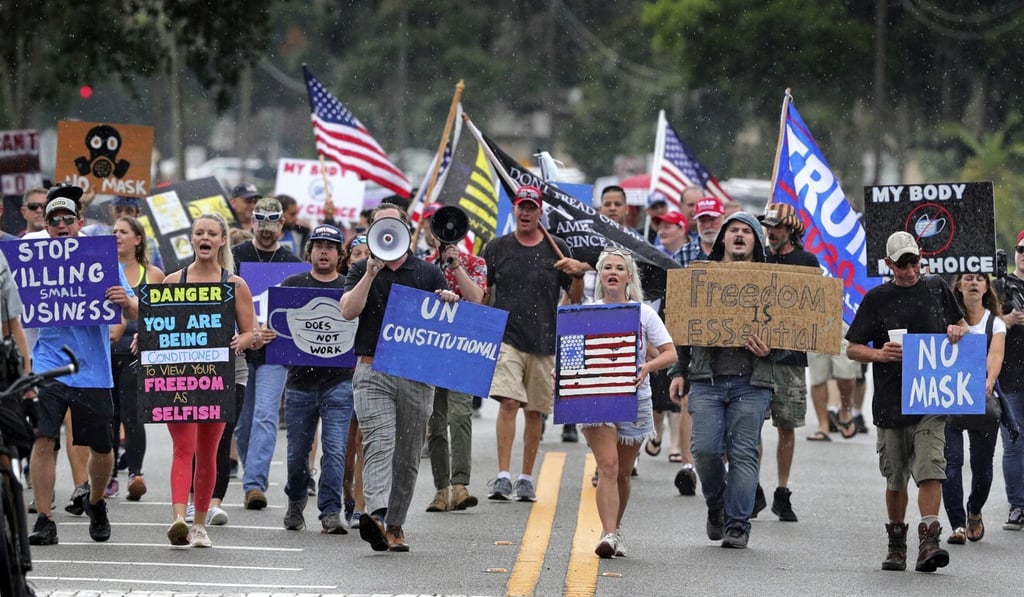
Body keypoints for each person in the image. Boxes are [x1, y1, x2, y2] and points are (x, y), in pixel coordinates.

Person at [846, 231, 967, 573]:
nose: (910, 271)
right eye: (902, 265)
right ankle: (896, 543)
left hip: (930, 399)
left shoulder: (936, 287)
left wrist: (958, 331)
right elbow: (852, 346)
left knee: (931, 467)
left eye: (913, 262)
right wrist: (879, 353)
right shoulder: (876, 298)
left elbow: (960, 327)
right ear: (889, 264)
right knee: (895, 476)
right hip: (891, 400)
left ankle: (929, 541)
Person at [27, 183, 139, 546]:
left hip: (93, 367)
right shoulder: (36, 259)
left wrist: (125, 301)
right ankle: (44, 518)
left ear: (79, 222)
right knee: (45, 438)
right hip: (50, 363)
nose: (61, 224)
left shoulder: (100, 256)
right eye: (53, 219)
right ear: (46, 225)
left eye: (67, 218)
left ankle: (95, 502)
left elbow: (136, 309)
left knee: (103, 450)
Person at [340, 203, 453, 552]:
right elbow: (347, 310)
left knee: (406, 454)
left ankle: (396, 525)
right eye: (378, 225)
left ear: (406, 229)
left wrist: (447, 300)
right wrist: (370, 274)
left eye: (393, 225)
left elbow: (443, 324)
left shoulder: (428, 273)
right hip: (372, 369)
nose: (386, 231)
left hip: (415, 373)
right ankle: (374, 514)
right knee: (378, 442)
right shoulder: (360, 268)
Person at [670, 211, 773, 549]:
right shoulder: (700, 277)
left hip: (752, 383)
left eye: (747, 231)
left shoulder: (775, 282)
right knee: (704, 450)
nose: (740, 235)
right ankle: (717, 504)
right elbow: (684, 329)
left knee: (744, 453)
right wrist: (678, 371)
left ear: (756, 241)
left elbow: (795, 337)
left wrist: (770, 350)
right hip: (706, 379)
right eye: (734, 231)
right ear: (723, 240)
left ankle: (738, 524)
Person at [161, 213, 256, 548]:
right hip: (181, 376)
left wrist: (242, 341)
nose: (204, 237)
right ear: (191, 239)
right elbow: (160, 329)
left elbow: (251, 332)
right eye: (199, 232)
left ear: (221, 241)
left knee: (208, 450)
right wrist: (142, 339)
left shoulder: (234, 284)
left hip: (223, 376)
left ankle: (200, 524)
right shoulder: (174, 281)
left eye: (211, 233)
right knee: (183, 447)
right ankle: (177, 519)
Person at [583, 247, 676, 558]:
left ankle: (616, 528)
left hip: (635, 396)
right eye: (607, 267)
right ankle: (608, 534)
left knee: (623, 471)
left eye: (619, 268)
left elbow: (669, 352)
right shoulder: (587, 312)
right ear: (600, 276)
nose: (613, 272)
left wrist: (647, 367)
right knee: (607, 466)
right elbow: (572, 352)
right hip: (596, 397)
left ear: (628, 277)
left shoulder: (644, 313)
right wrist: (564, 374)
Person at [482, 185, 573, 502]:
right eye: (521, 206)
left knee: (535, 412)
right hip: (507, 337)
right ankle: (503, 476)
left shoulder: (557, 248)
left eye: (531, 207)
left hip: (545, 341)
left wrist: (576, 274)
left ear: (540, 212)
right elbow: (484, 290)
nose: (525, 212)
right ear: (514, 209)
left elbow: (575, 298)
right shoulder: (497, 248)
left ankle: (525, 477)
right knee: (508, 403)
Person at [278, 224, 355, 534]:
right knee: (297, 452)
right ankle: (296, 501)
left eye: (331, 246)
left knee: (335, 450)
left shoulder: (350, 287)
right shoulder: (292, 284)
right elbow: (276, 328)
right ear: (309, 251)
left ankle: (330, 510)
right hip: (298, 384)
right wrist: (270, 335)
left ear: (340, 254)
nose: (324, 250)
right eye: (319, 245)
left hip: (339, 383)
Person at [232, 196, 302, 510]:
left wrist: (280, 330)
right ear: (252, 221)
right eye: (261, 222)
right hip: (241, 349)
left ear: (281, 225)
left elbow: (297, 312)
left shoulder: (291, 261)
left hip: (275, 351)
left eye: (272, 223)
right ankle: (252, 471)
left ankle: (254, 484)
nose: (266, 230)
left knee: (265, 416)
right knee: (243, 421)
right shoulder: (236, 256)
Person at [419, 203, 487, 513]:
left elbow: (476, 298)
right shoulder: (422, 265)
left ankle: (461, 485)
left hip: (462, 349)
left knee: (460, 415)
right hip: (432, 350)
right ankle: (440, 489)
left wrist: (456, 267)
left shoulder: (476, 263)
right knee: (435, 422)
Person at [757, 202, 821, 522]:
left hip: (790, 359)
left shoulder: (807, 261)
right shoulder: (758, 257)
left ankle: (782, 491)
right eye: (768, 226)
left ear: (791, 230)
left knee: (787, 425)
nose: (770, 232)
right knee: (750, 423)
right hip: (755, 354)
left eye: (777, 227)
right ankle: (752, 487)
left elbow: (815, 308)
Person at [666, 196, 724, 496]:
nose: (708, 225)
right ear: (695, 223)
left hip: (726, 340)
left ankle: (723, 464)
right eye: (703, 220)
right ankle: (688, 466)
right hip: (693, 338)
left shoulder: (729, 253)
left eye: (713, 219)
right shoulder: (683, 254)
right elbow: (674, 302)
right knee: (689, 401)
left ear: (722, 219)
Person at [943, 272, 1005, 544]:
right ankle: (957, 524)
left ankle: (975, 510)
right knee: (950, 463)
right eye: (968, 277)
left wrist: (989, 381)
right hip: (950, 402)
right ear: (958, 285)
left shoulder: (996, 323)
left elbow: (995, 355)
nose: (974, 282)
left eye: (980, 278)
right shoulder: (944, 319)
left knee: (982, 467)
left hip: (981, 402)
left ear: (986, 288)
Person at [109, 216, 166, 501]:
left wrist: (144, 335)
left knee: (132, 413)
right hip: (104, 350)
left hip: (135, 352)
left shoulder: (153, 274)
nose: (117, 235)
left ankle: (135, 474)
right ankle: (107, 476)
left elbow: (160, 317)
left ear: (138, 239)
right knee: (109, 415)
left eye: (123, 231)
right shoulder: (102, 269)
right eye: (114, 231)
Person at [992, 232, 1024, 531]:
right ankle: (1017, 505)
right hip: (1010, 376)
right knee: (1014, 443)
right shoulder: (1000, 287)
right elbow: (982, 324)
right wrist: (1008, 321)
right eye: (1021, 249)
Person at [341, 234, 369, 527]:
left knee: (363, 442)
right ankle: (347, 492)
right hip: (339, 374)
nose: (362, 258)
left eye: (367, 253)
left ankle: (360, 505)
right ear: (348, 260)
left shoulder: (382, 284)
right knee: (345, 446)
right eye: (356, 253)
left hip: (366, 370)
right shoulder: (344, 288)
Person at [82, 195, 165, 271]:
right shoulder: (94, 232)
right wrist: (82, 205)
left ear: (137, 213)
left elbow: (158, 280)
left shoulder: (149, 243)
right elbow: (72, 237)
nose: (123, 215)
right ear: (111, 210)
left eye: (129, 211)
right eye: (118, 210)